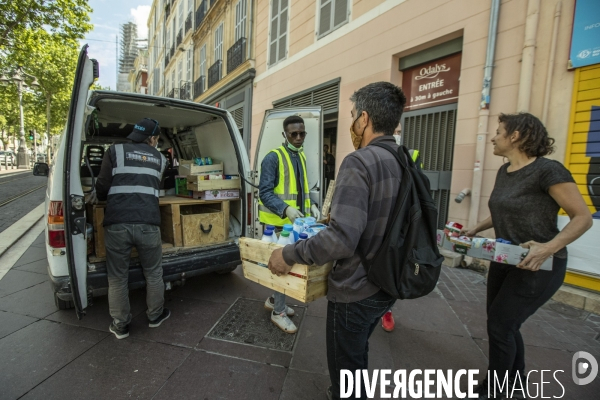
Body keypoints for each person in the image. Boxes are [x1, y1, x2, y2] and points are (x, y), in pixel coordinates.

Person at [267, 82, 407, 400]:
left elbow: (342, 240)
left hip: (356, 289)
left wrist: (289, 254)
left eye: (354, 114)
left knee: (346, 372)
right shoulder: (402, 159)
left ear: (364, 119)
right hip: (388, 283)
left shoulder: (359, 161)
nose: (352, 122)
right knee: (356, 357)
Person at [460, 113, 592, 399]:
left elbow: (582, 218)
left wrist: (548, 248)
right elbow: (500, 210)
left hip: (538, 265)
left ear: (515, 136)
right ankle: (515, 382)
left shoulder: (548, 171)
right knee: (504, 324)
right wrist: (474, 229)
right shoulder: (503, 171)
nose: (493, 137)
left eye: (498, 132)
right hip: (506, 259)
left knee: (500, 325)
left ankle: (495, 390)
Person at [95, 118, 171, 340]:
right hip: (148, 223)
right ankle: (155, 316)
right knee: (154, 272)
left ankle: (121, 326)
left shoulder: (114, 151)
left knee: (117, 277)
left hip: (117, 223)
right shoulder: (160, 158)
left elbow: (102, 185)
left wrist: (102, 198)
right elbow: (156, 184)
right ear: (154, 138)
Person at [258, 115, 321, 334]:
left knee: (284, 266)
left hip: (294, 223)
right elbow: (264, 193)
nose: (298, 137)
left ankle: (275, 299)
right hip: (276, 226)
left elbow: (301, 189)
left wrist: (311, 204)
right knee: (282, 266)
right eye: (293, 134)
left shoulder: (300, 157)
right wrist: (285, 209)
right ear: (284, 134)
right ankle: (279, 312)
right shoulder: (273, 158)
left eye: (302, 133)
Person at [381, 123, 423, 332]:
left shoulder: (411, 155)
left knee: (395, 267)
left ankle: (388, 308)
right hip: (380, 221)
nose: (395, 135)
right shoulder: (372, 154)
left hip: (402, 223)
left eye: (398, 132)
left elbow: (419, 190)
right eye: (393, 131)